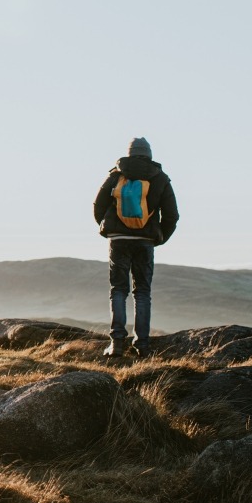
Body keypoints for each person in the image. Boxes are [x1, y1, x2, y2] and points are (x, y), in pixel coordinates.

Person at [93, 137, 179, 358]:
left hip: (118, 239)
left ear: (129, 154)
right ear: (149, 154)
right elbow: (172, 215)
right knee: (142, 292)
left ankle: (117, 344)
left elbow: (98, 204)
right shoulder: (160, 178)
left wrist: (108, 228)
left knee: (118, 290)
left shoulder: (116, 175)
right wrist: (158, 237)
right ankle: (142, 345)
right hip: (145, 241)